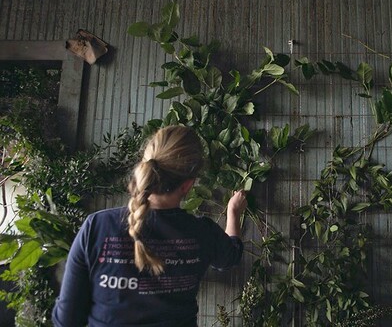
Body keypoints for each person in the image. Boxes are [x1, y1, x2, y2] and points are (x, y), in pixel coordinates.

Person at [52, 125, 248, 327]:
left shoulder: (97, 227)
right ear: (188, 185)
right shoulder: (202, 233)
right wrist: (233, 211)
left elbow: (67, 320)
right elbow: (230, 256)